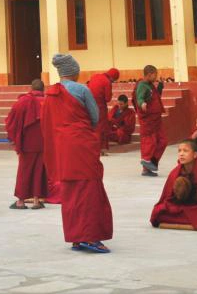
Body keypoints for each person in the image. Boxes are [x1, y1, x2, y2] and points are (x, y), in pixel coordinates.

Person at [43, 53, 113, 254]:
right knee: (89, 191)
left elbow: (48, 123)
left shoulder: (51, 93)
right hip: (81, 146)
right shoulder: (82, 89)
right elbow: (95, 117)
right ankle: (89, 237)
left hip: (63, 149)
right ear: (74, 72)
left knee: (71, 193)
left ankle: (76, 237)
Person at [6, 79, 48, 210]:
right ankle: (36, 201)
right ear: (43, 89)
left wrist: (14, 138)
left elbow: (11, 121)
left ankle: (21, 201)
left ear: (31, 88)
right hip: (43, 143)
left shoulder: (22, 101)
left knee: (24, 171)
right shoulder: (48, 102)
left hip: (26, 143)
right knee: (38, 171)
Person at [135, 65, 167, 176]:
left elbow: (156, 96)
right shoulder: (142, 86)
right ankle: (146, 165)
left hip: (156, 119)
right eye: (155, 75)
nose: (156, 77)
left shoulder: (150, 85)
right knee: (150, 142)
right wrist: (142, 103)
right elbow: (139, 97)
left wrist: (161, 85)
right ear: (149, 74)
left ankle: (152, 163)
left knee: (162, 141)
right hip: (148, 120)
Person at [86, 68, 120, 153]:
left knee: (93, 126)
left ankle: (92, 147)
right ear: (112, 77)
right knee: (100, 128)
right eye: (114, 80)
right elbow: (108, 98)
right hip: (100, 107)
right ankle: (100, 149)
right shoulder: (107, 82)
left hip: (89, 104)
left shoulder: (95, 76)